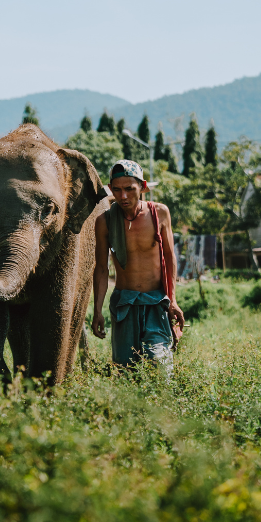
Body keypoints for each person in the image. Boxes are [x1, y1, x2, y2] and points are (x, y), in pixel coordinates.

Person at [91, 159, 186, 377]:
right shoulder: (105, 221)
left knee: (159, 367)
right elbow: (101, 269)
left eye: (129, 189)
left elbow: (171, 258)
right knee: (126, 371)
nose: (122, 196)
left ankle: (163, 410)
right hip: (125, 304)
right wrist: (97, 310)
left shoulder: (159, 213)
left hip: (156, 303)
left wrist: (173, 300)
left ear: (142, 187)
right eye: (116, 190)